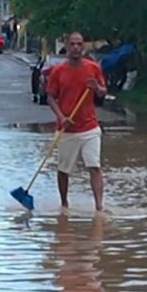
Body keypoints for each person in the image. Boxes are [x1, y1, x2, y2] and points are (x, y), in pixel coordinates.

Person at [45, 31, 108, 211]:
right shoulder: (58, 71)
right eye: (72, 44)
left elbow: (103, 91)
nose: (75, 48)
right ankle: (64, 204)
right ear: (66, 46)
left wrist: (97, 88)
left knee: (94, 166)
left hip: (89, 127)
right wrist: (61, 117)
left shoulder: (93, 68)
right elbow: (50, 97)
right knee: (63, 170)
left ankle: (99, 207)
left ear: (83, 47)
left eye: (79, 44)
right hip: (67, 129)